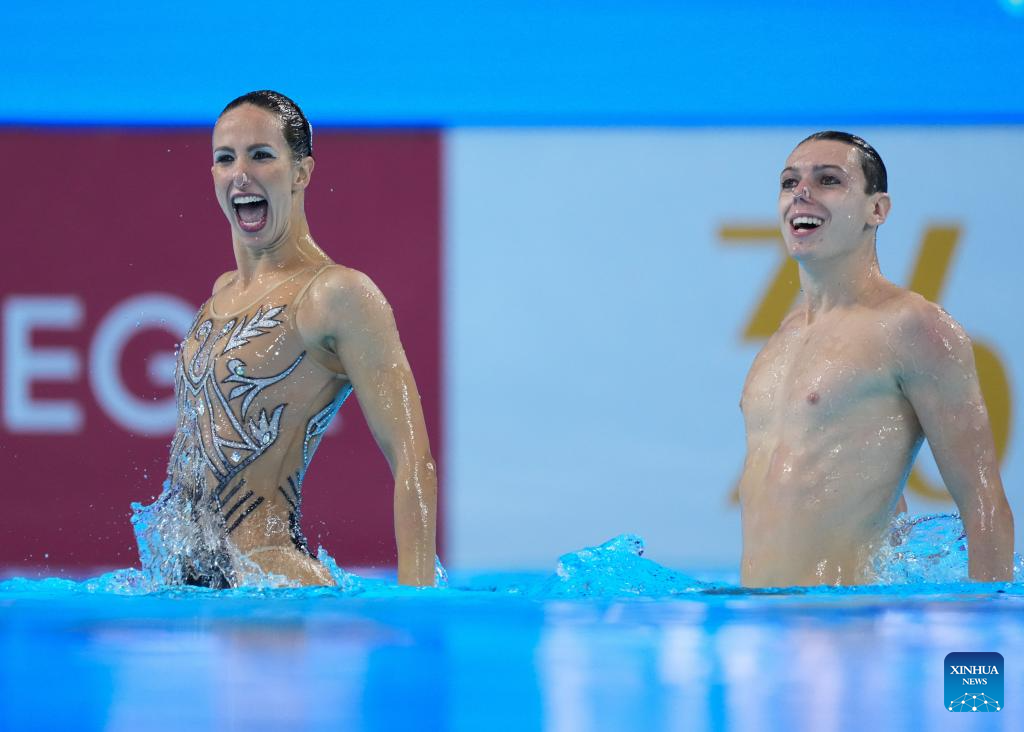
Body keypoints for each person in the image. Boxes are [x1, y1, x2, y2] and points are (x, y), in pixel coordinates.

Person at [137, 90, 437, 588]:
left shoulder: (336, 294)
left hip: (271, 585)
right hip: (189, 585)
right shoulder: (221, 293)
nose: (240, 174)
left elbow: (413, 460)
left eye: (261, 155)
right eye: (225, 158)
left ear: (301, 173)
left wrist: (419, 609)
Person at [737, 131, 1014, 587]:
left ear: (877, 210)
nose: (801, 193)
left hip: (843, 618)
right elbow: (860, 476)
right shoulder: (783, 338)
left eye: (828, 180)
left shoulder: (913, 326)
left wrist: (986, 621)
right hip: (761, 614)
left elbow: (983, 502)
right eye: (789, 182)